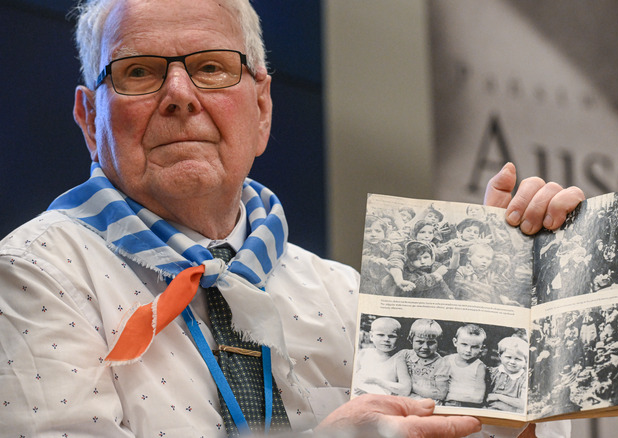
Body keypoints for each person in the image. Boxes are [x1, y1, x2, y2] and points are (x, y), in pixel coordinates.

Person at [0, 0, 585, 436]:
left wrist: (493, 308)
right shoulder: (32, 278)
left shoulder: (348, 294)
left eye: (211, 67)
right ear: (87, 118)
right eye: (139, 72)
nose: (179, 93)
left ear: (261, 108)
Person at [353, 317, 411, 396]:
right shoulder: (364, 353)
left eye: (391, 336)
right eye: (381, 335)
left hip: (380, 400)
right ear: (371, 336)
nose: (386, 339)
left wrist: (376, 381)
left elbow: (405, 389)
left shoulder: (398, 359)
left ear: (399, 338)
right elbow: (352, 376)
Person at [398, 319, 451, 402]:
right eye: (420, 342)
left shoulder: (442, 363)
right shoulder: (404, 355)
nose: (425, 347)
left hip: (428, 401)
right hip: (403, 399)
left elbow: (441, 394)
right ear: (411, 340)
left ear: (438, 343)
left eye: (431, 343)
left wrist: (409, 386)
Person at [443, 324, 488, 408]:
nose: (468, 350)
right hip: (446, 403)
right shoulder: (447, 360)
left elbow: (479, 398)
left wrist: (449, 397)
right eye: (464, 344)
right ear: (455, 342)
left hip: (468, 405)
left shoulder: (479, 367)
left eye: (474, 347)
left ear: (481, 348)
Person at [486, 336, 529, 413]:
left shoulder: (524, 379)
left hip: (512, 414)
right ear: (500, 356)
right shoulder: (492, 372)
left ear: (525, 361)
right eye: (508, 357)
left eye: (518, 359)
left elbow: (524, 404)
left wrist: (498, 397)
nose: (512, 362)